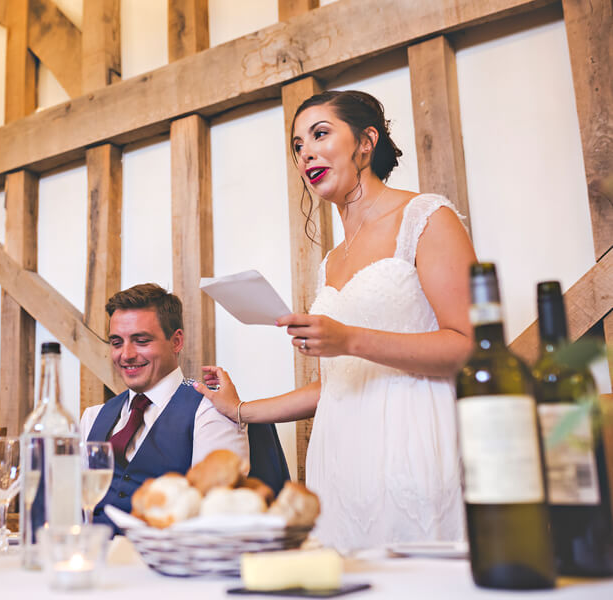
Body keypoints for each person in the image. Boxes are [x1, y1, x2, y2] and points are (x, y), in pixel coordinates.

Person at [195, 90, 477, 552]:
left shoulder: (425, 217)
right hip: (339, 456)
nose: (306, 152)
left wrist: (348, 338)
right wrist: (241, 410)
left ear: (366, 142)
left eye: (320, 134)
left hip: (414, 441)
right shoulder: (331, 261)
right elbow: (341, 384)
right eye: (298, 145)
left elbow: (469, 347)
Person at [80, 284, 250, 529]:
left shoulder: (210, 411)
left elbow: (218, 516)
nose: (126, 354)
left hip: (169, 562)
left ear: (176, 341)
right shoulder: (93, 417)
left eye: (141, 341)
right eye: (117, 343)